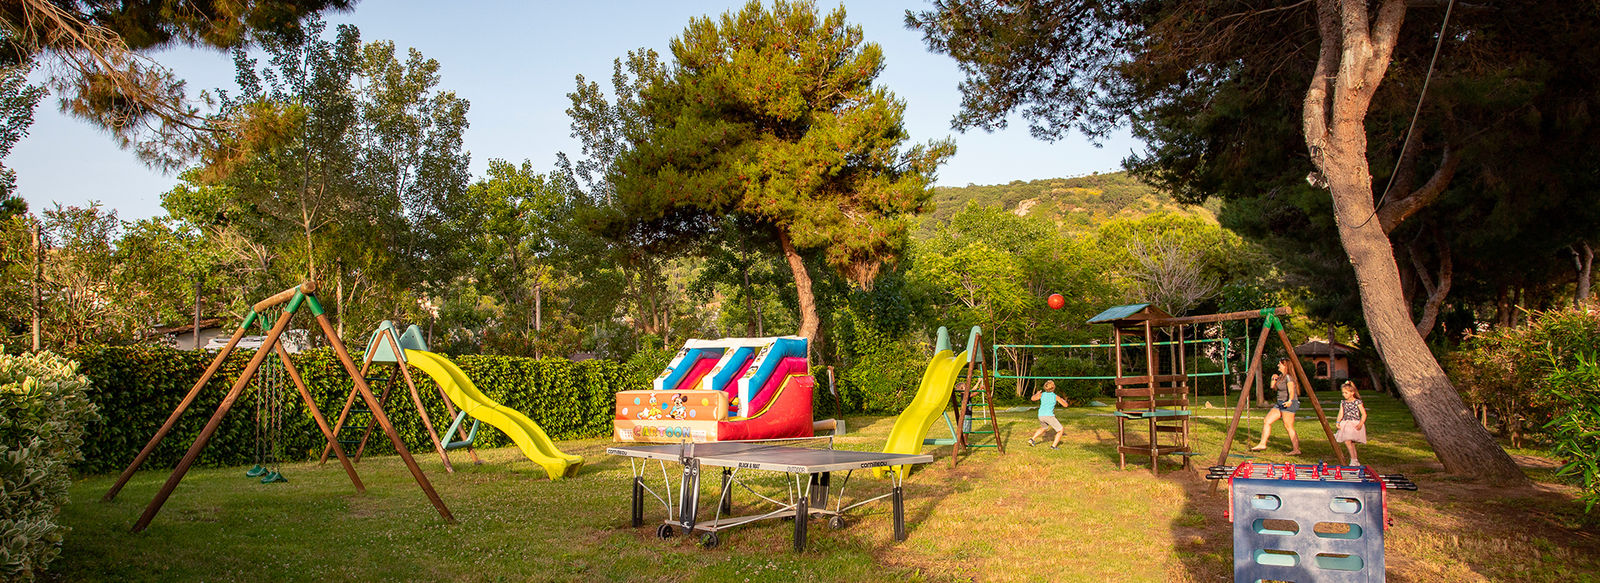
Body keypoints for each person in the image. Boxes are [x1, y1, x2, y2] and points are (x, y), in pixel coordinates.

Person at [1250, 359, 1301, 455]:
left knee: (1288, 426)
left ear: (1285, 366)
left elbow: (1291, 391)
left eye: (1280, 364)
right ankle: (1262, 444)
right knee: (1267, 421)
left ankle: (1296, 449)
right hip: (1280, 403)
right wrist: (1273, 379)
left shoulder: (1289, 377)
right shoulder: (1281, 377)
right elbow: (1273, 387)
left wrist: (1290, 400)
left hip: (1288, 403)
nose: (1278, 365)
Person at [1333, 380, 1368, 465]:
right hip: (1346, 423)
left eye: (1346, 393)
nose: (1344, 394)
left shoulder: (1357, 402)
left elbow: (1364, 414)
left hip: (1354, 423)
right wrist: (1338, 421)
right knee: (1348, 441)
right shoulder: (1343, 402)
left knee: (1349, 442)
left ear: (1352, 392)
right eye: (1343, 393)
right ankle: (1354, 459)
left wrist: (1361, 423)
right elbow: (1341, 413)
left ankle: (1353, 459)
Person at [1027, 380, 1067, 449]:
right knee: (1060, 430)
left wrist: (1037, 394)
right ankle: (1053, 446)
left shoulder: (1041, 395)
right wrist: (1063, 400)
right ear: (1053, 387)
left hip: (1041, 415)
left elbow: (1032, 398)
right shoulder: (1055, 396)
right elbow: (1065, 405)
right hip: (1049, 416)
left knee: (1044, 428)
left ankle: (1032, 439)